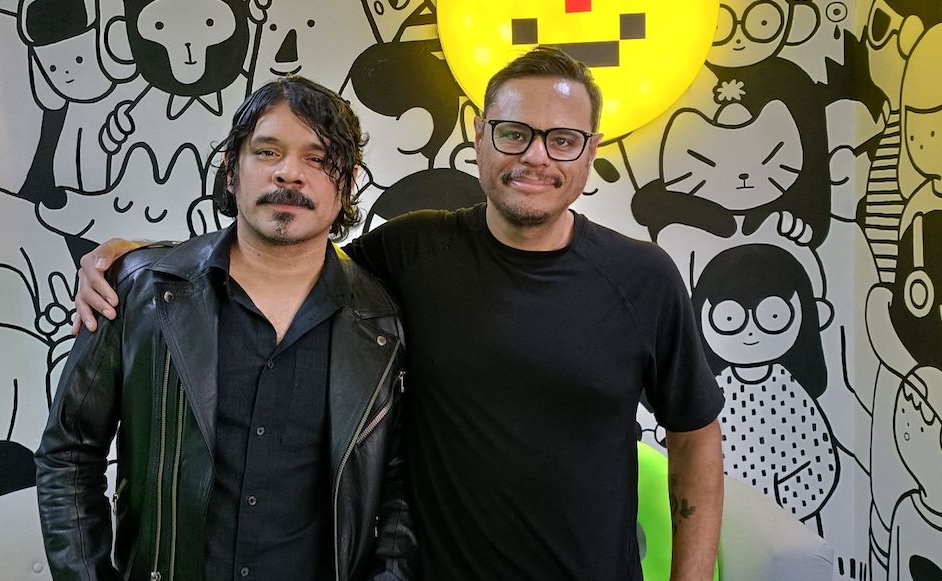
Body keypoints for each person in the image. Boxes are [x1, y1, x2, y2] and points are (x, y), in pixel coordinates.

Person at [75, 47, 725, 580]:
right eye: (514, 133)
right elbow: (282, 251)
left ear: (590, 149)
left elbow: (695, 440)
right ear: (480, 137)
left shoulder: (643, 278)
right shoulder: (412, 251)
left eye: (562, 140)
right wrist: (142, 257)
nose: (535, 156)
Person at [35, 76, 415, 581]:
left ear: (346, 185)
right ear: (232, 171)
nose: (289, 173)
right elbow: (69, 453)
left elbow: (400, 490)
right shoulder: (139, 290)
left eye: (318, 158)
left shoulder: (381, 322)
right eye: (267, 151)